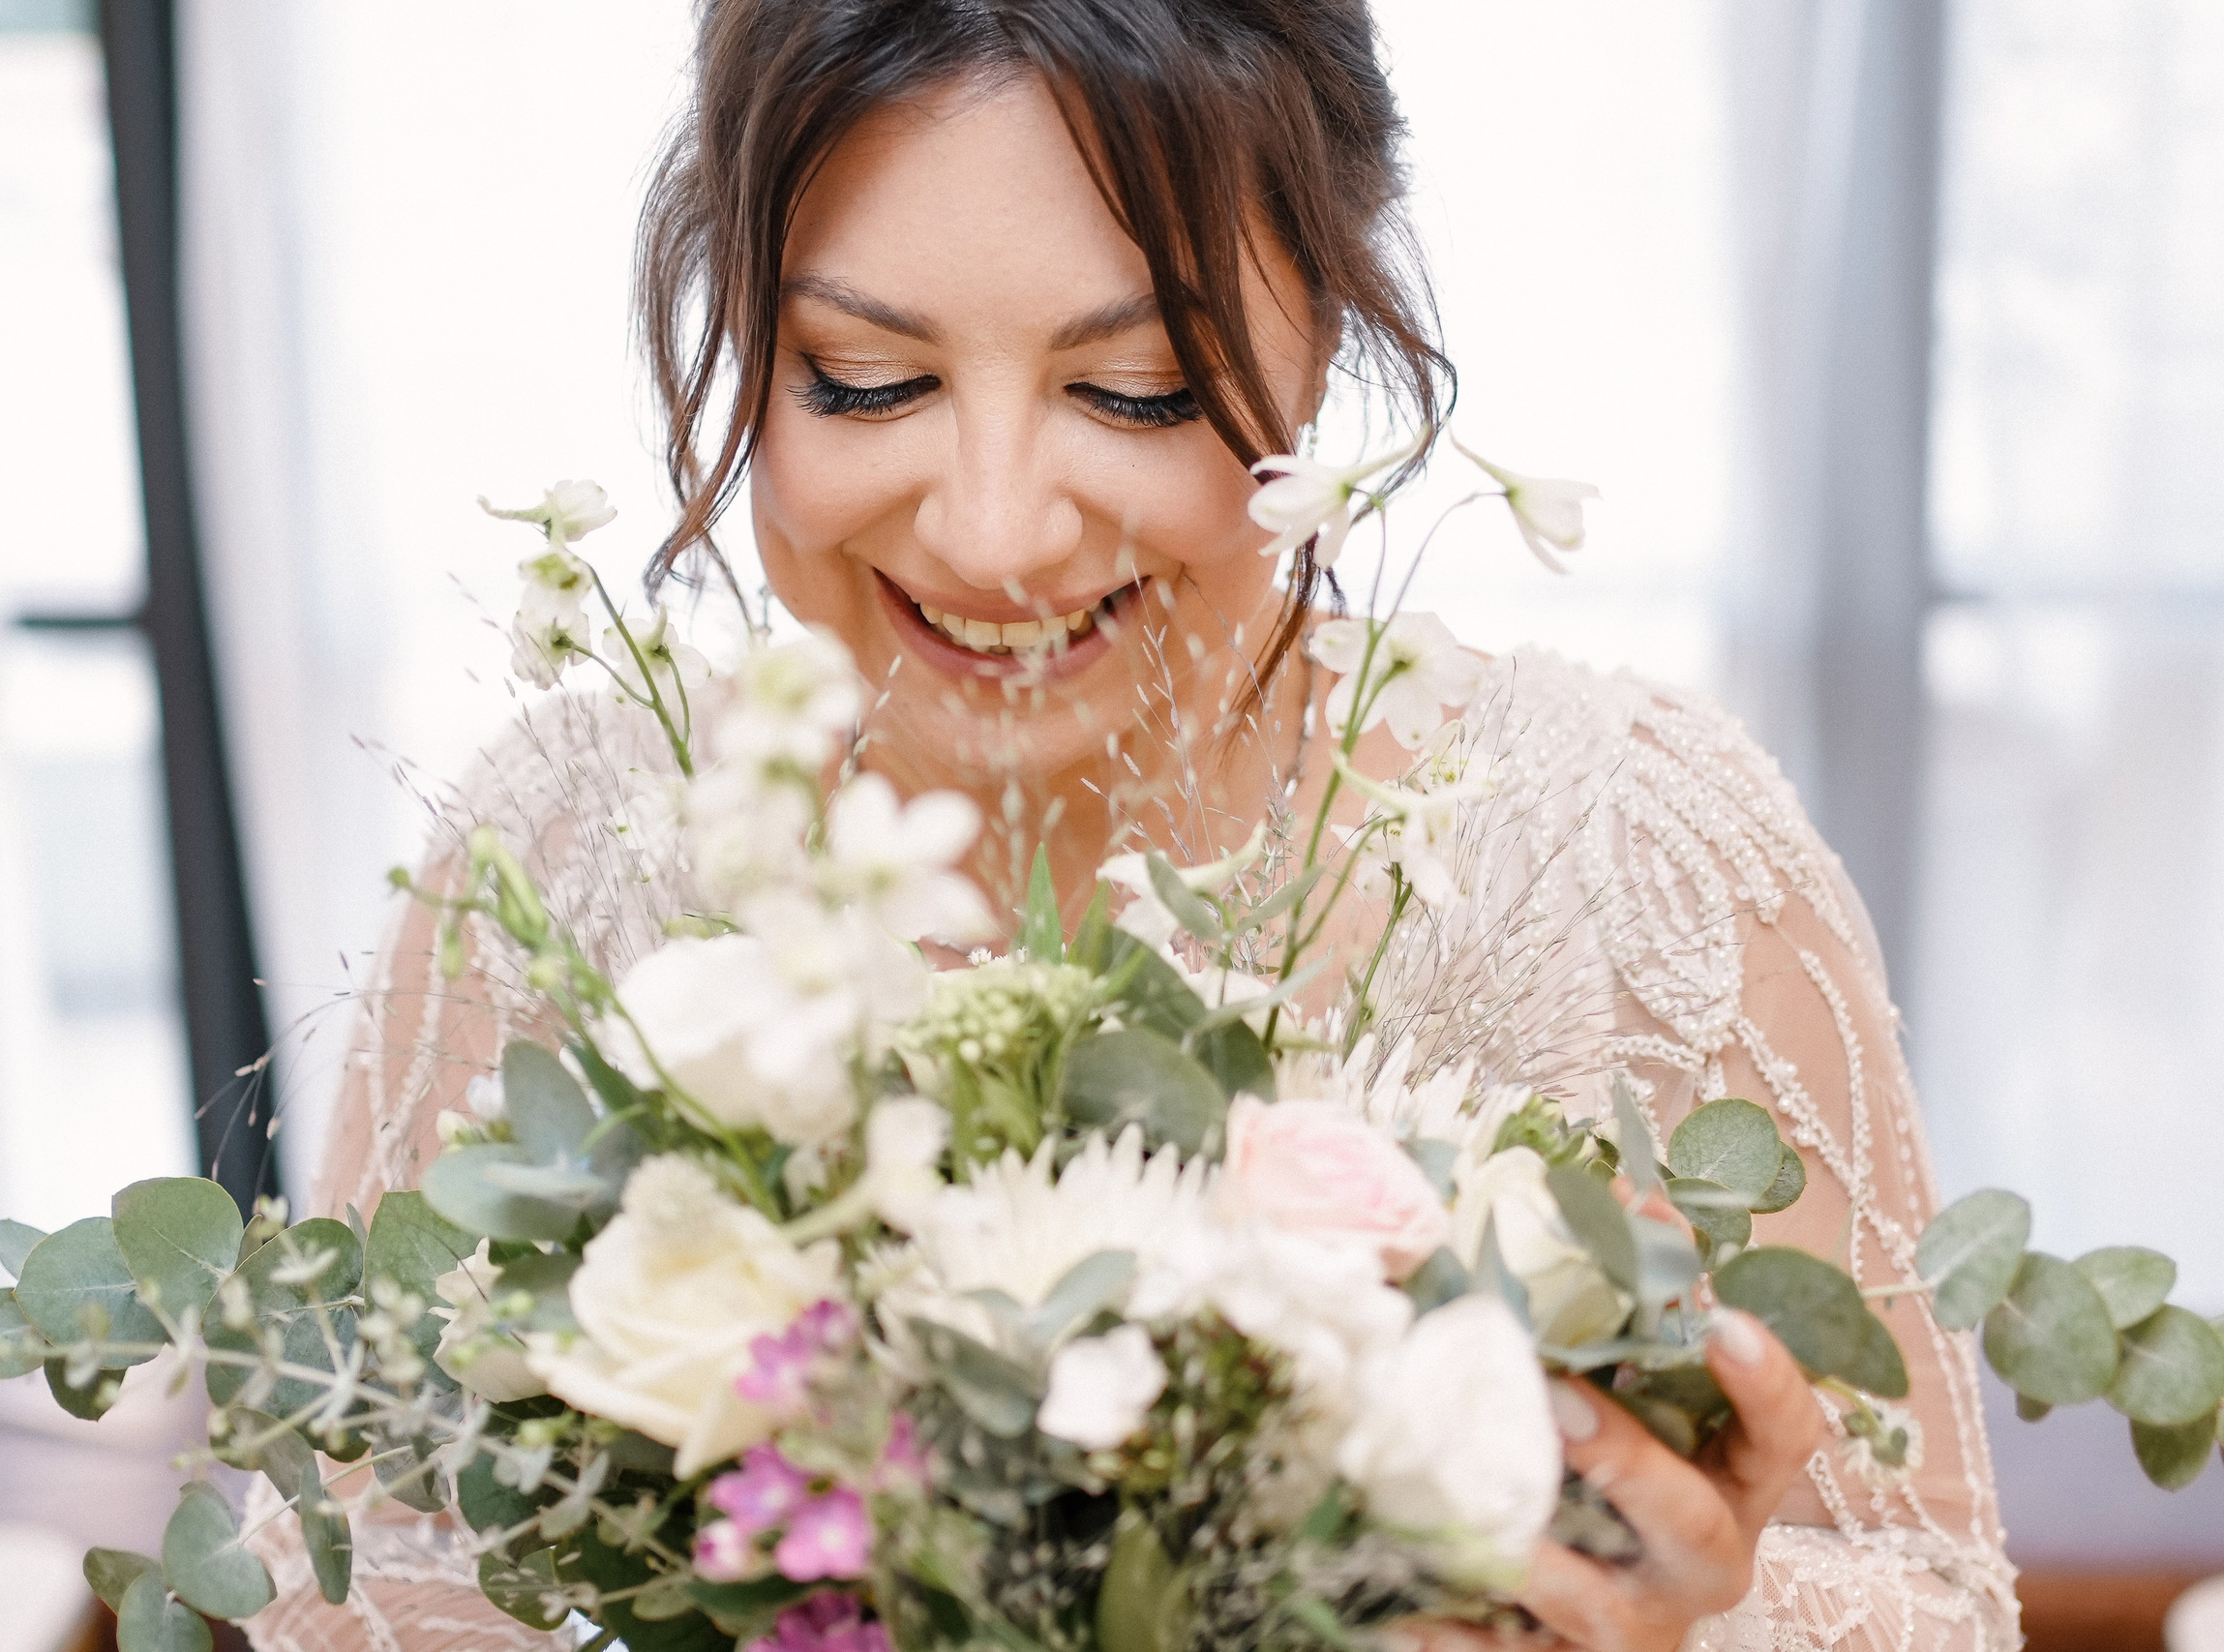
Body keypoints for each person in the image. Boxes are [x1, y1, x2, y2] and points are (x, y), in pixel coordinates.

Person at [249, 3, 2017, 1648]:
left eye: (1142, 388)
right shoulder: (563, 856)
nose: (1000, 531)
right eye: (864, 380)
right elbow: (338, 1578)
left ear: (1326, 327)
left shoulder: (1623, 854)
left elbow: (1932, 1593)